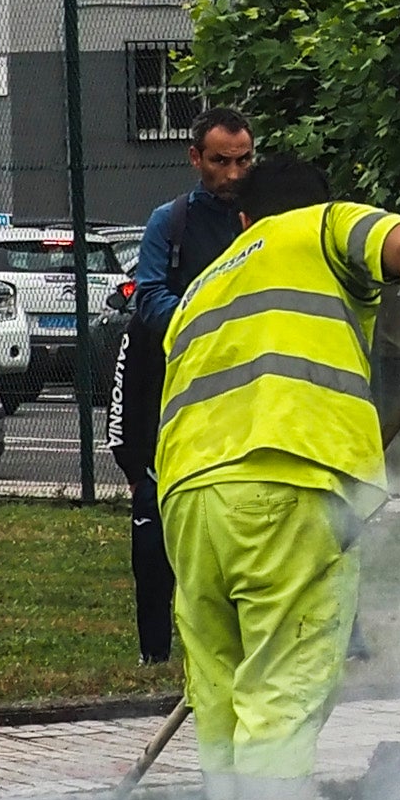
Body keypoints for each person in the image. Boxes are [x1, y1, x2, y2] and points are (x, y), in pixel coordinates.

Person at [155, 150, 400, 800]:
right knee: (282, 691)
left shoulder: (205, 282)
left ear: (241, 218)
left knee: (225, 701)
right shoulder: (323, 228)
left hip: (189, 498)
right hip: (285, 484)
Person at [111, 108, 257, 664]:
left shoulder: (265, 217)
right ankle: (155, 651)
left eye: (244, 159)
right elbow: (149, 299)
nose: (234, 172)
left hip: (244, 396)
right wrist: (210, 322)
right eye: (221, 161)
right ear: (196, 159)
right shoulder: (168, 223)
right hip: (172, 395)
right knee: (153, 522)